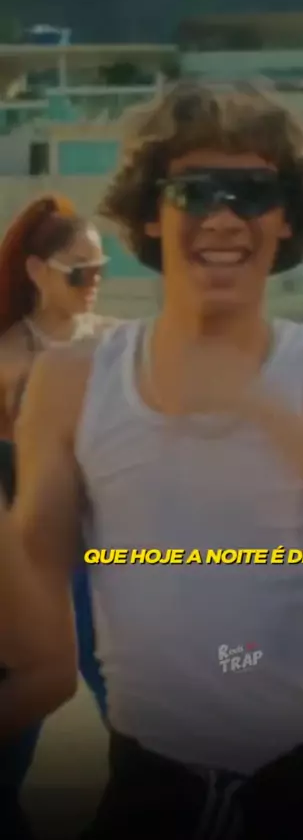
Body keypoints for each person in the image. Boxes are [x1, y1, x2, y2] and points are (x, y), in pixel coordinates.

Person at [6, 81, 303, 840]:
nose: (224, 216)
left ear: (286, 216)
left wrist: (267, 410)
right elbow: (39, 626)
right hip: (154, 788)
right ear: (152, 213)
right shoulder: (73, 383)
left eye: (253, 193)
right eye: (195, 191)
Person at [0, 196, 115, 829]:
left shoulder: (122, 345)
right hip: (31, 562)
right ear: (37, 271)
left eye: (101, 268)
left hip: (116, 554)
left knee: (144, 706)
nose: (94, 280)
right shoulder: (7, 358)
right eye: (80, 270)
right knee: (22, 711)